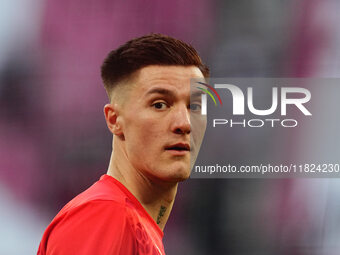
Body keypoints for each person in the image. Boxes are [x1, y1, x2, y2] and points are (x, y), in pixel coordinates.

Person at [37, 33, 209, 255]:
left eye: (194, 106)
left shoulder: (133, 225)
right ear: (114, 120)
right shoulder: (107, 215)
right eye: (159, 105)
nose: (184, 124)